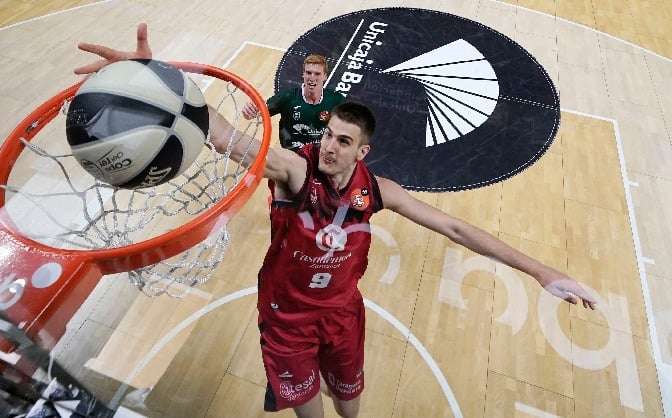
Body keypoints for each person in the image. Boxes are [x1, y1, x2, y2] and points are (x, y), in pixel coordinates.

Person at [75, 22, 597, 418]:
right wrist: (157, 80)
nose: (329, 146)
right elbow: (227, 139)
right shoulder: (293, 171)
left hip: (344, 314)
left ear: (361, 151)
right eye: (328, 136)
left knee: (351, 407)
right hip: (287, 322)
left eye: (342, 142)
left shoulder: (380, 192)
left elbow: (457, 229)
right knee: (313, 413)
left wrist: (540, 270)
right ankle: (298, 382)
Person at [241, 54, 344, 151]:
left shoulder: (336, 100)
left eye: (317, 74)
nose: (312, 78)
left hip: (319, 154)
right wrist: (248, 111)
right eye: (308, 73)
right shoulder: (287, 97)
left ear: (325, 76)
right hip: (292, 155)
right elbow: (255, 114)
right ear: (303, 74)